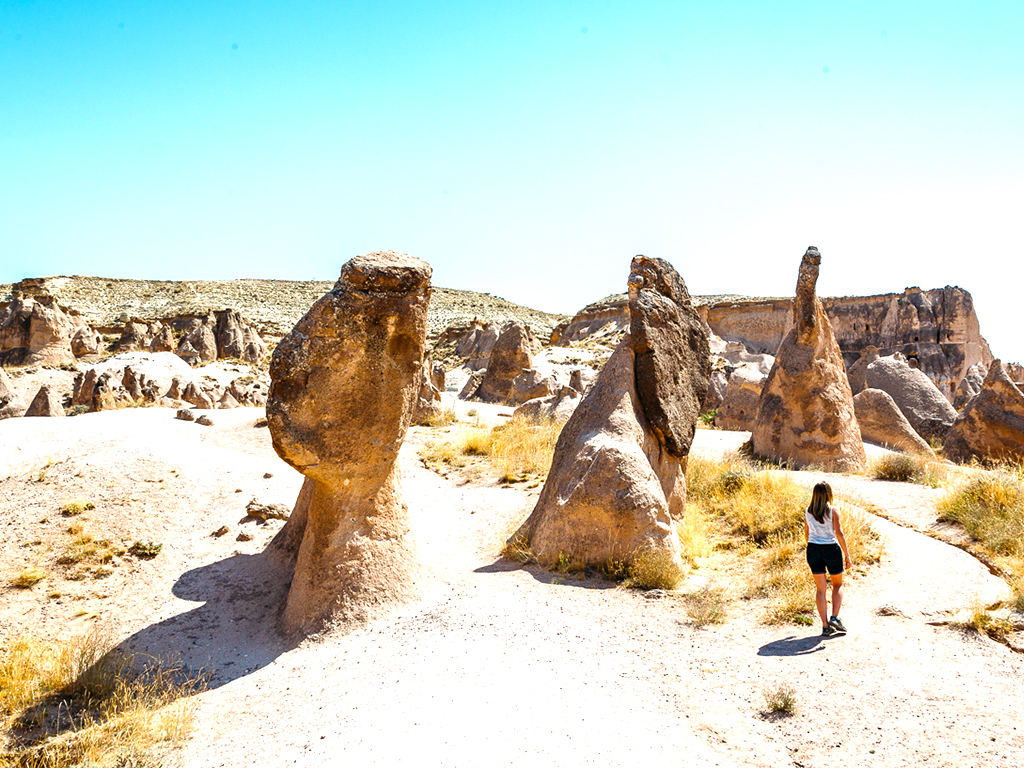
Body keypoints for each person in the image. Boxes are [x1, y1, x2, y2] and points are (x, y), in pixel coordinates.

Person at [804, 481, 852, 636]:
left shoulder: (808, 511)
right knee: (837, 584)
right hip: (831, 549)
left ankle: (825, 626)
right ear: (828, 494)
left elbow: (807, 533)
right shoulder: (833, 511)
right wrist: (847, 554)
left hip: (813, 549)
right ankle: (835, 618)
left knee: (820, 589)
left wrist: (813, 548)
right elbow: (839, 533)